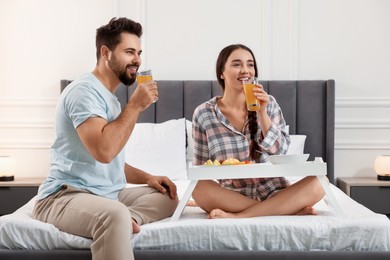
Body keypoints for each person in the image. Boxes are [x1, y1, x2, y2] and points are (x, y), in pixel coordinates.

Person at [32, 17, 178, 260]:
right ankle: (120, 219)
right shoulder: (84, 92)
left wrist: (149, 178)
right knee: (114, 214)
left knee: (168, 196)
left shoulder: (109, 97)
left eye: (139, 53)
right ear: (105, 53)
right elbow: (104, 151)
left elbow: (110, 162)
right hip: (63, 196)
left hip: (105, 193)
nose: (137, 60)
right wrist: (135, 107)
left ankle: (127, 219)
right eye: (129, 52)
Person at [191, 44, 325, 219]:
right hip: (233, 197)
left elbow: (281, 151)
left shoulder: (269, 104)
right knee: (198, 187)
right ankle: (285, 210)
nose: (245, 70)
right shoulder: (204, 113)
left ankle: (240, 216)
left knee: (320, 183)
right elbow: (201, 171)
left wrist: (262, 113)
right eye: (237, 64)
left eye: (250, 64)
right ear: (221, 73)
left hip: (275, 191)